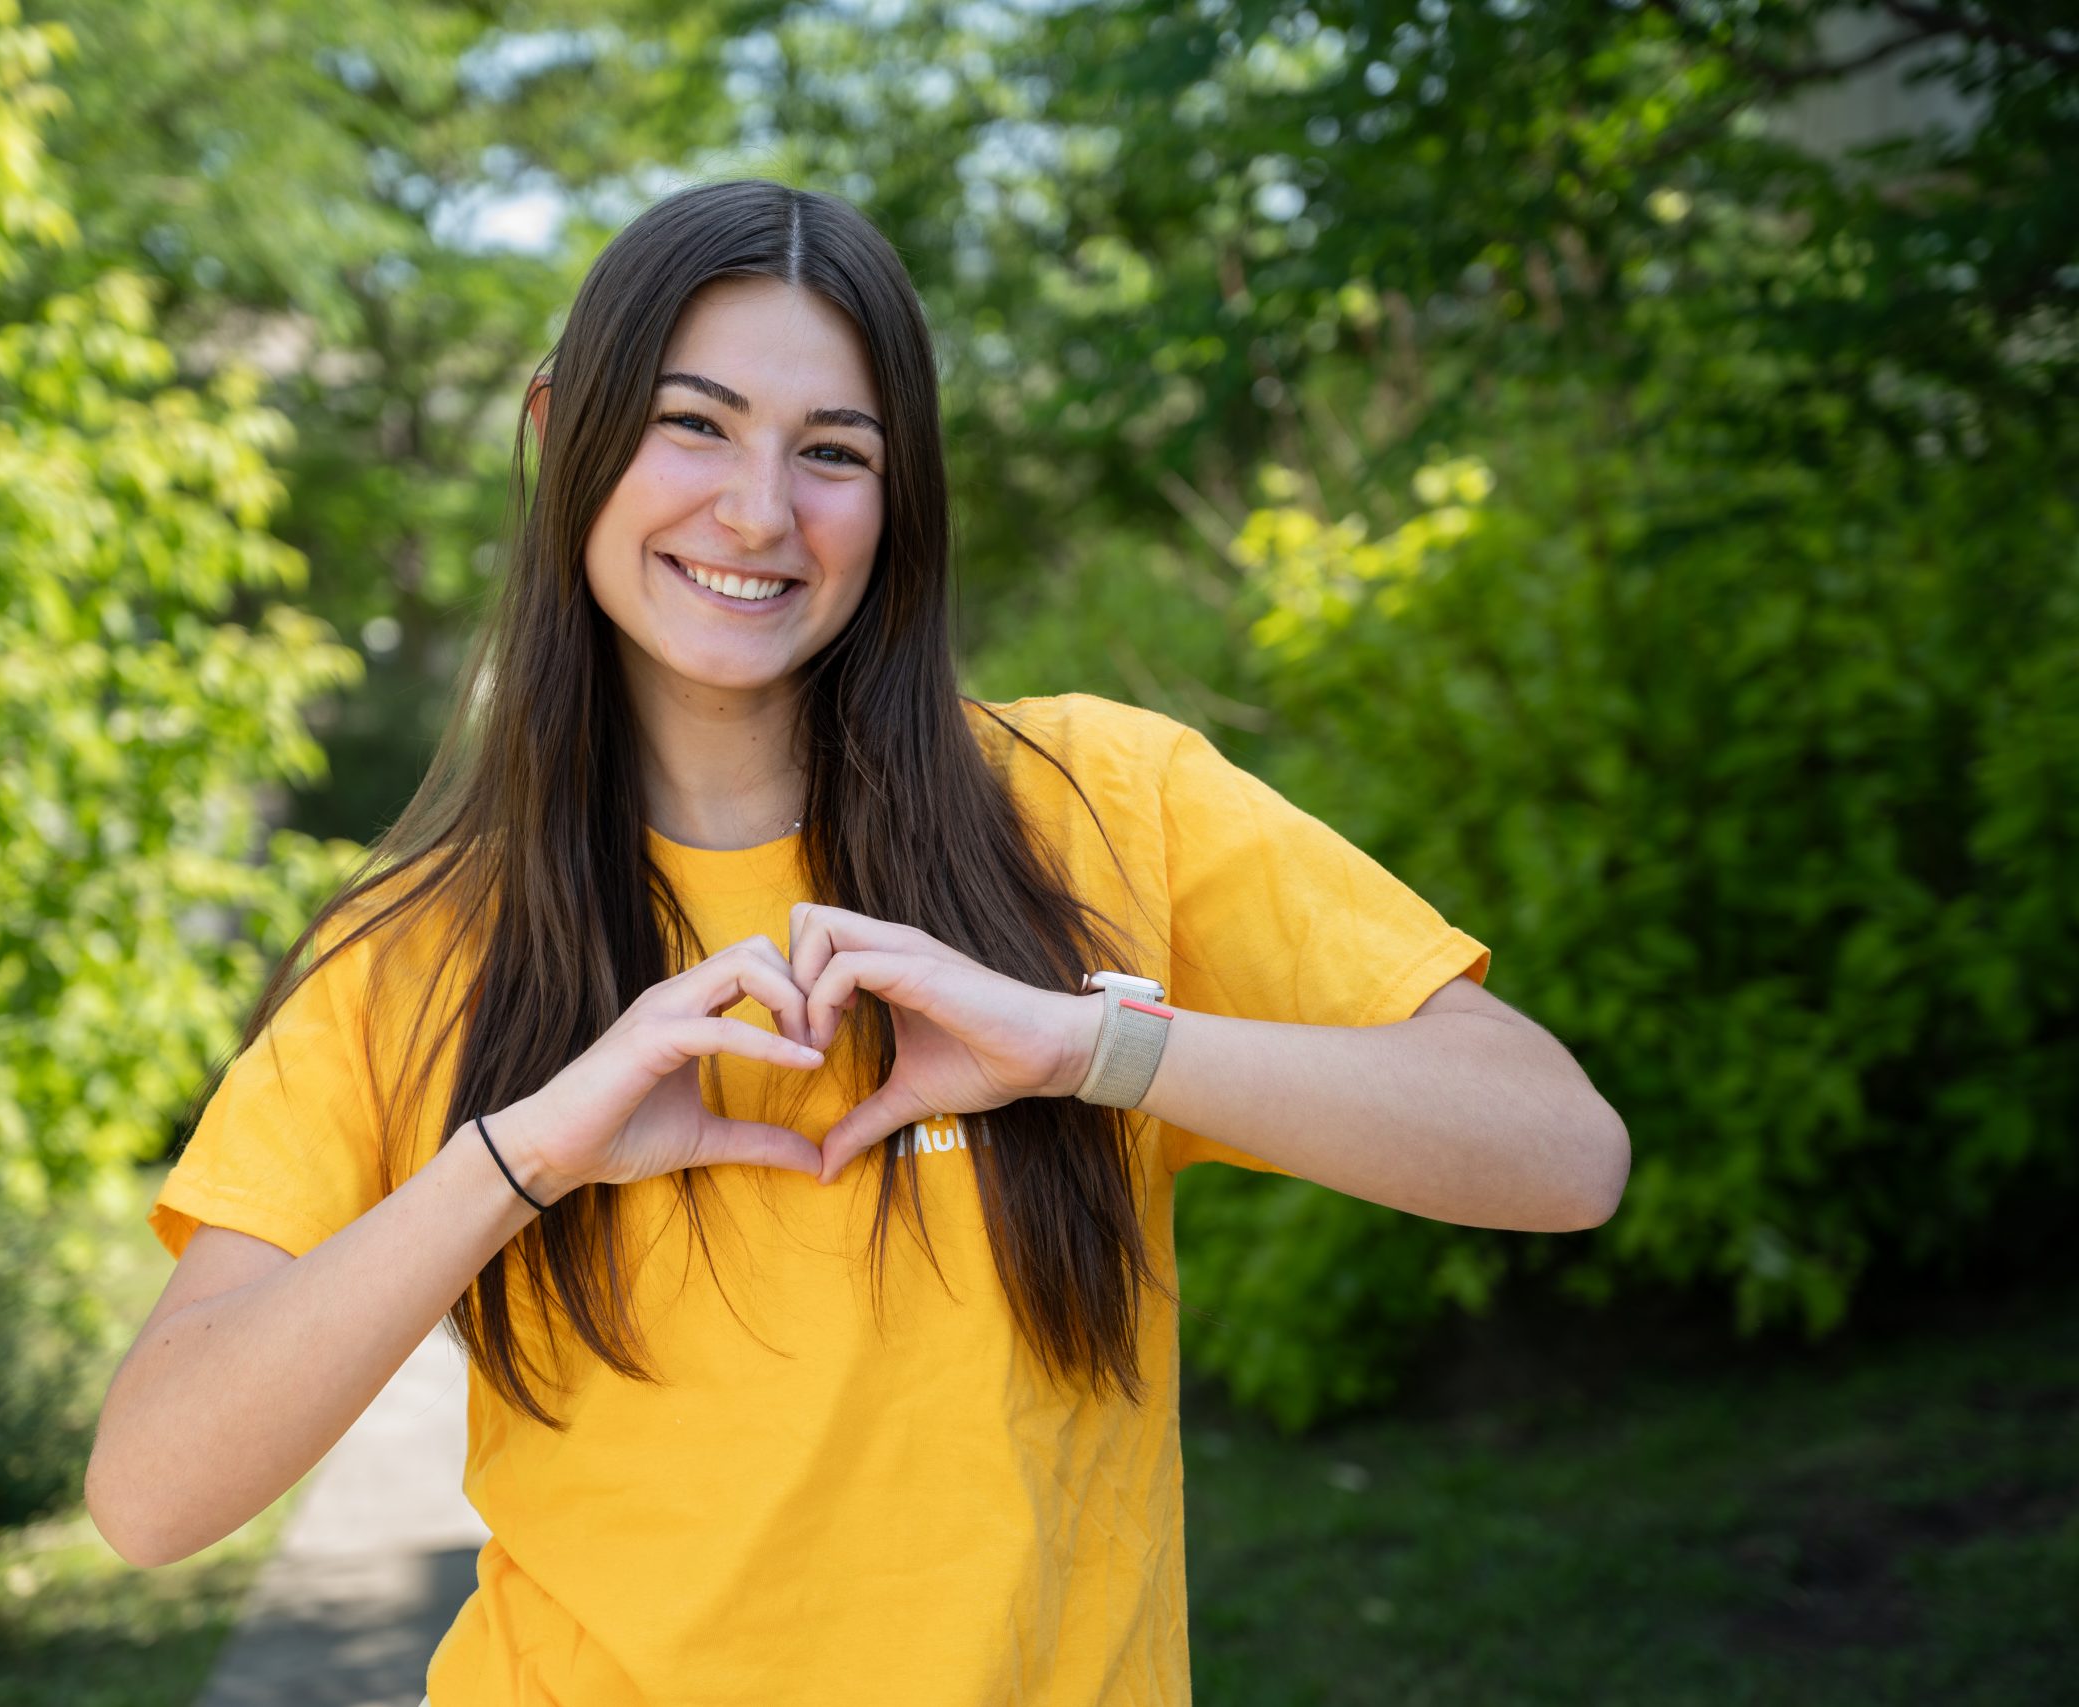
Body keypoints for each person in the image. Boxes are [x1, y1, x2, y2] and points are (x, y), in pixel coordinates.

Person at [83, 178, 1628, 1704]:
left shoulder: (1108, 803)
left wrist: (1093, 1045)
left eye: (832, 453)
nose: (757, 511)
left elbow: (1563, 1154)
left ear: (899, 504)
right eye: (694, 423)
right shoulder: (417, 944)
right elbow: (151, 1497)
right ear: (564, 438)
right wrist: (532, 1150)